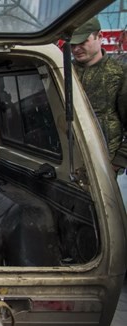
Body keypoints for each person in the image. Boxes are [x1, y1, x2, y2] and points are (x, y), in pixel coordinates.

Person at [70, 17, 127, 209]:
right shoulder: (62, 71)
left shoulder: (118, 73)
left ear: (99, 37)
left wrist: (116, 164)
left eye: (83, 42)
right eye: (72, 44)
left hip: (103, 167)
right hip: (66, 163)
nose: (76, 48)